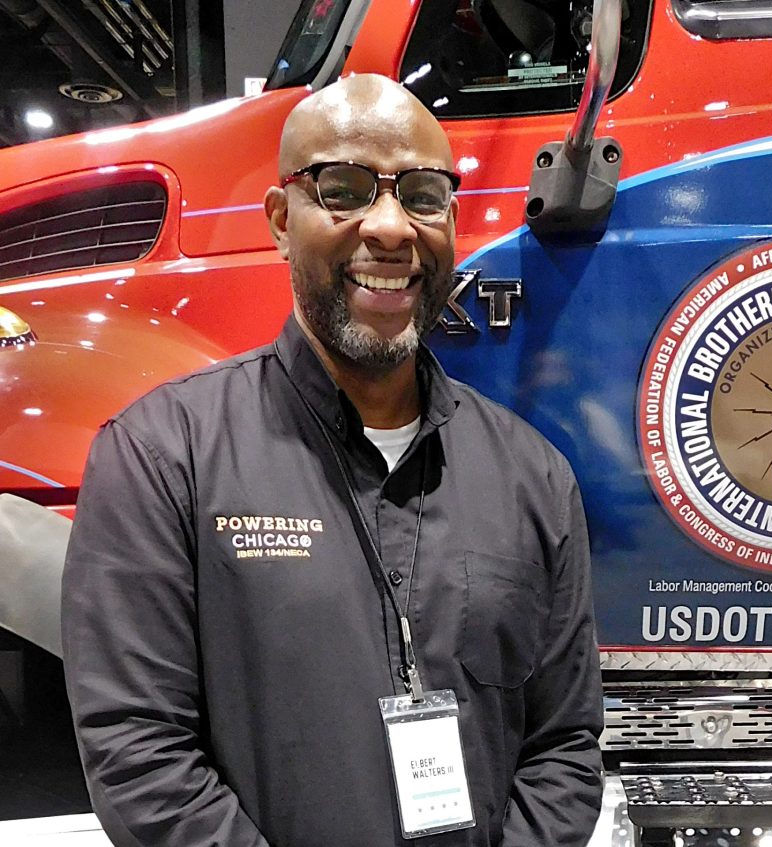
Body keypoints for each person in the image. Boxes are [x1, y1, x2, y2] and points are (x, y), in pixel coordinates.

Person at [61, 73, 603, 847]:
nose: (390, 228)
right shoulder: (162, 457)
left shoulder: (535, 477)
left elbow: (565, 746)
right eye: (343, 188)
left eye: (421, 194)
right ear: (282, 220)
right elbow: (139, 755)